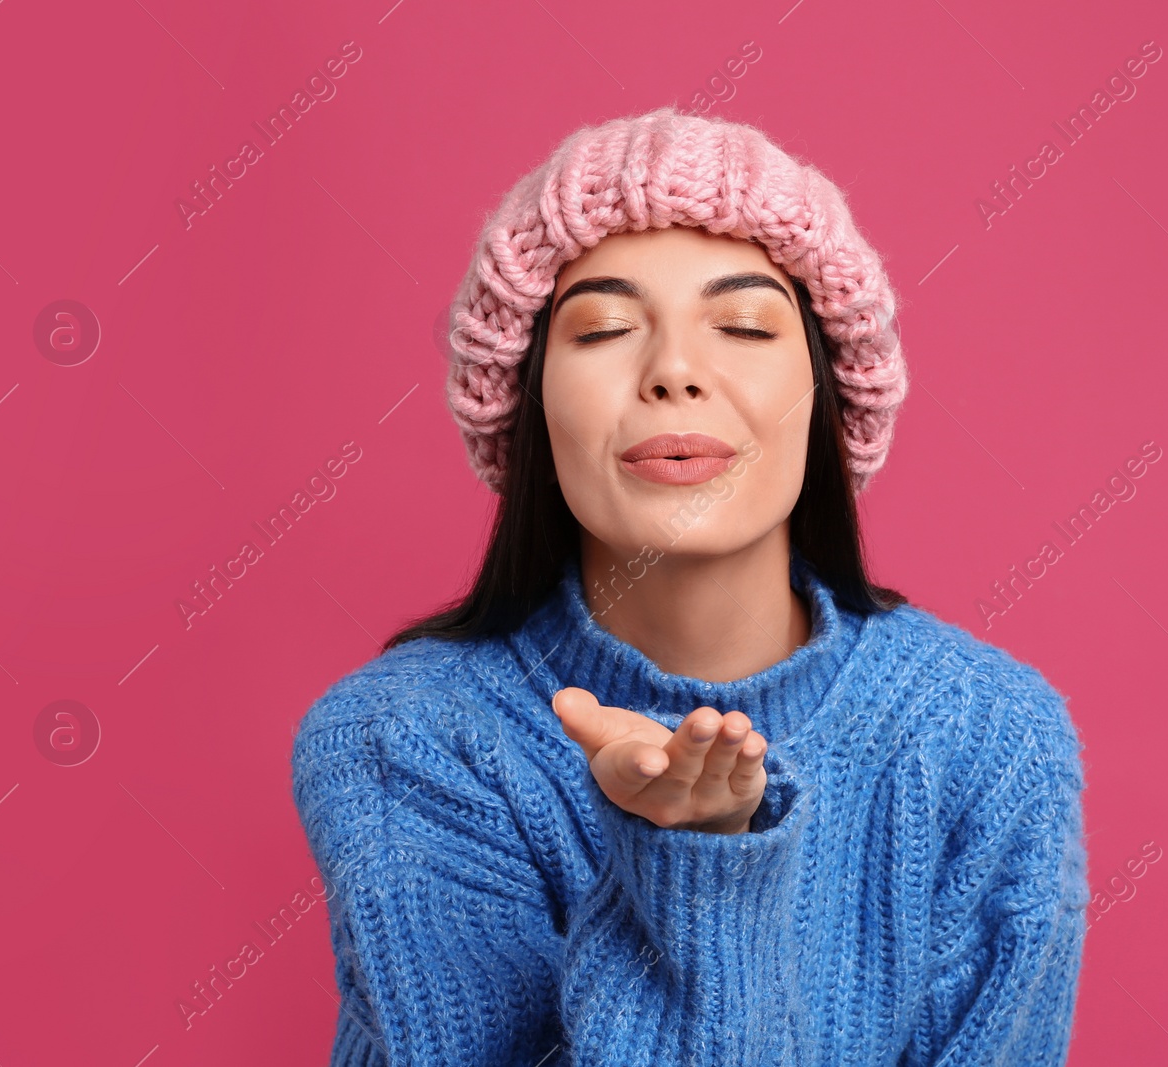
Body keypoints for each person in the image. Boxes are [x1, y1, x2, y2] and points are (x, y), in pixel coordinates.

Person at [290, 105, 1090, 1066]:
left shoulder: (990, 737)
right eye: (606, 328)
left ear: (830, 390)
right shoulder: (403, 738)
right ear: (531, 401)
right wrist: (693, 866)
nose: (674, 371)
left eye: (746, 324)